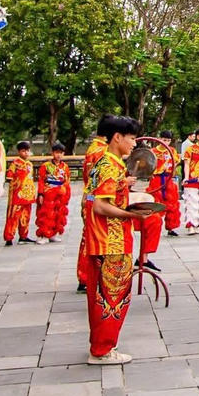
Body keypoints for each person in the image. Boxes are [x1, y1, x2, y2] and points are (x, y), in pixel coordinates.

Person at [82, 114, 149, 365]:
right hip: (111, 241)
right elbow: (100, 205)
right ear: (117, 137)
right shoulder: (109, 165)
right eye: (131, 138)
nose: (134, 144)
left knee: (103, 295)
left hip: (106, 238)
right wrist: (132, 215)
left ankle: (102, 343)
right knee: (112, 296)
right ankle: (102, 350)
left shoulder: (108, 163)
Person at [76, 121, 111, 293]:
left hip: (89, 196)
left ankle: (84, 277)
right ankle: (91, 277)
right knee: (97, 240)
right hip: (98, 199)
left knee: (87, 239)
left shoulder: (92, 148)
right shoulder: (103, 151)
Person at [35, 142, 71, 244]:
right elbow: (41, 180)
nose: (58, 155)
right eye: (56, 152)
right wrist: (41, 194)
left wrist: (67, 195)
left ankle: (53, 234)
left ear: (63, 154)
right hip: (48, 194)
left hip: (60, 194)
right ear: (52, 153)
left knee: (58, 215)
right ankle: (44, 235)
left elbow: (67, 181)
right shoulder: (46, 166)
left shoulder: (65, 167)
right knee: (47, 215)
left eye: (61, 153)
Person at [148, 131, 182, 237]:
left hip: (168, 179)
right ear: (159, 139)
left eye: (168, 140)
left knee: (172, 202)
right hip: (156, 179)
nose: (165, 142)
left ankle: (171, 227)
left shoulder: (172, 151)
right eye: (164, 140)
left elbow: (176, 163)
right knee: (156, 201)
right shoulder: (153, 151)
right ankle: (154, 225)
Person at [3, 141, 37, 245]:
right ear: (19, 151)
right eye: (23, 151)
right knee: (13, 216)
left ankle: (23, 236)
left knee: (25, 217)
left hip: (28, 196)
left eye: (27, 151)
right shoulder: (15, 163)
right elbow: (9, 177)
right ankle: (9, 237)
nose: (26, 153)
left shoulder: (29, 164)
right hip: (17, 196)